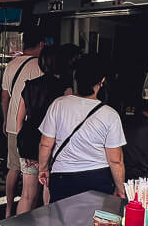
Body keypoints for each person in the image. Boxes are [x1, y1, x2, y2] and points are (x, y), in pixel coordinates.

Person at [38, 56, 126, 203]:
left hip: (62, 177)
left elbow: (46, 143)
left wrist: (43, 168)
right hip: (97, 178)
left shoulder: (58, 104)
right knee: (94, 224)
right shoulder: (110, 115)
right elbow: (116, 160)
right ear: (102, 81)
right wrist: (120, 188)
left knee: (60, 223)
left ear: (75, 78)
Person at [15, 45, 72, 215]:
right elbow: (66, 123)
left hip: (27, 142)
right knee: (48, 194)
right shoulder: (65, 88)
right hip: (50, 144)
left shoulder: (30, 85)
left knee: (27, 196)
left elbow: (19, 120)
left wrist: (22, 143)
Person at [0, 29, 44, 216]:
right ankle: (30, 213)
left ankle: (9, 209)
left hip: (11, 124)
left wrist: (5, 118)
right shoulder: (40, 66)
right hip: (29, 128)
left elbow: (4, 96)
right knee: (31, 174)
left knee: (13, 168)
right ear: (41, 45)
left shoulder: (11, 65)